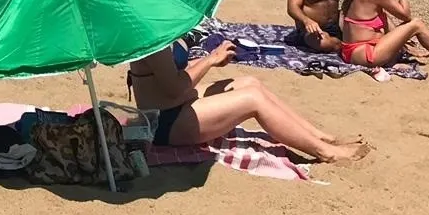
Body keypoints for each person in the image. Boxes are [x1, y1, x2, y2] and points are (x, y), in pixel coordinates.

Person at [128, 38, 365, 163]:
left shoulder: (163, 29)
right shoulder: (150, 42)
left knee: (250, 83)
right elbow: (173, 87)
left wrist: (210, 60)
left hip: (179, 103)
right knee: (252, 100)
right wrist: (210, 60)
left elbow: (174, 72)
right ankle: (326, 152)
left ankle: (320, 136)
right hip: (164, 122)